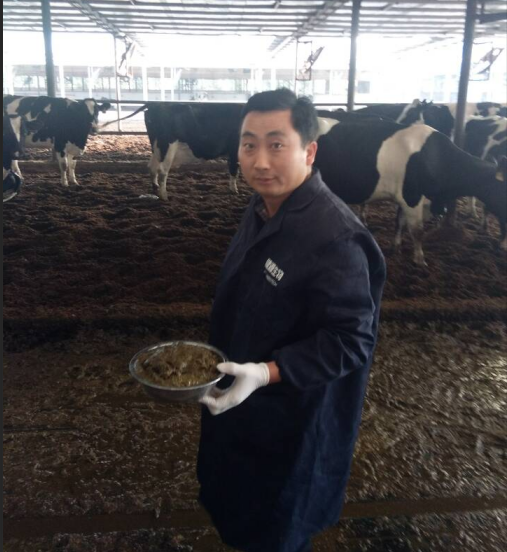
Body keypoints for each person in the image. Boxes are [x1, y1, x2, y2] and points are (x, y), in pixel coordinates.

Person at [197, 88, 386, 552]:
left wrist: (265, 373)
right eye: (249, 144)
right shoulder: (262, 208)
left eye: (276, 144)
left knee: (277, 528)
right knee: (238, 512)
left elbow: (351, 340)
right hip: (243, 407)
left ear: (310, 151)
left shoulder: (335, 237)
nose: (260, 161)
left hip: (292, 422)